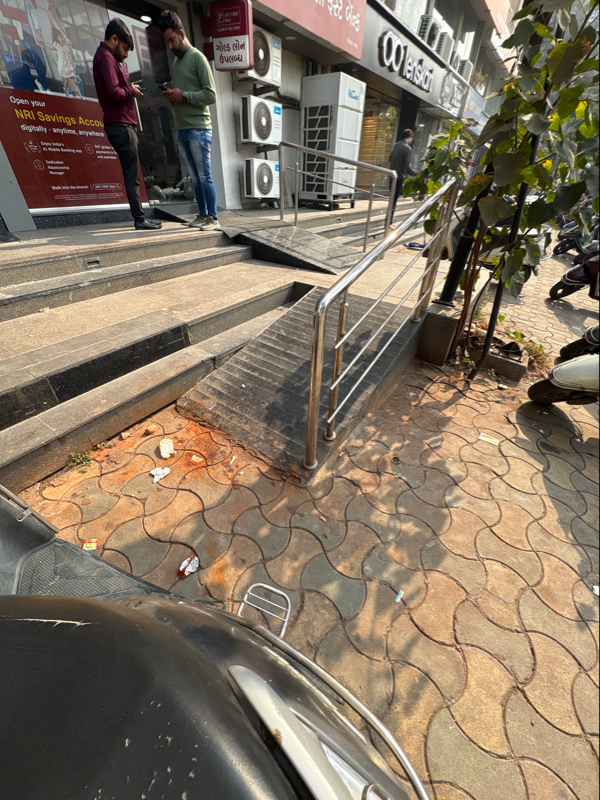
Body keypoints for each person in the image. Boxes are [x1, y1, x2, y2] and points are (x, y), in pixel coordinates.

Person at [93, 18, 161, 231]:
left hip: (121, 124)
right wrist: (131, 90)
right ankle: (140, 219)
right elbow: (114, 91)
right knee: (132, 176)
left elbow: (114, 88)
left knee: (132, 174)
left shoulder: (108, 57)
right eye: (125, 48)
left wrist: (129, 88)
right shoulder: (106, 56)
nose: (126, 54)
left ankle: (140, 218)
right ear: (114, 39)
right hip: (120, 124)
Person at [158, 10, 218, 231]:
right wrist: (173, 97)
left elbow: (211, 95)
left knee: (204, 175)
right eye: (167, 41)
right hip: (183, 128)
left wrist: (183, 95)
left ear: (182, 34)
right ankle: (202, 215)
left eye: (172, 39)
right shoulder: (176, 62)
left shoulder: (198, 58)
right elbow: (183, 95)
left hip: (199, 128)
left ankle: (212, 217)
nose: (171, 46)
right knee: (194, 177)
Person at [389, 129, 418, 223]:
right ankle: (389, 221)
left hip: (392, 175)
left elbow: (390, 159)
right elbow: (407, 167)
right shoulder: (407, 148)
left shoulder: (397, 145)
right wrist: (417, 174)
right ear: (410, 137)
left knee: (391, 199)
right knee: (394, 200)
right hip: (399, 177)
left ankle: (389, 220)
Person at [52, 29, 81, 97]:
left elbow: (69, 52)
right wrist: (43, 44)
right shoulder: (57, 46)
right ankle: (66, 91)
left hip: (69, 65)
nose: (62, 39)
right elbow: (52, 48)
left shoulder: (66, 46)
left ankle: (80, 95)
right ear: (57, 38)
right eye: (60, 37)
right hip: (63, 65)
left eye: (63, 37)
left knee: (74, 81)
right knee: (66, 82)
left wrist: (73, 55)